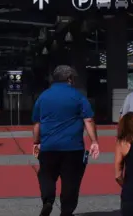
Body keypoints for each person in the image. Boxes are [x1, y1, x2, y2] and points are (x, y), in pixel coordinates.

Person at [32, 65, 100, 216]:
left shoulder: (43, 96)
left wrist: (36, 142)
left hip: (49, 146)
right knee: (71, 180)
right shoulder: (78, 96)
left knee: (46, 175)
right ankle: (66, 211)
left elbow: (37, 123)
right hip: (73, 147)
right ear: (69, 79)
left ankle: (48, 200)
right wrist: (94, 141)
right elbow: (88, 120)